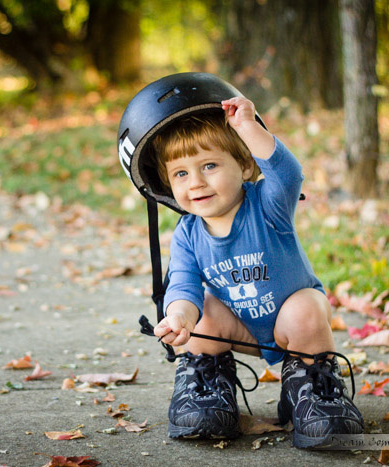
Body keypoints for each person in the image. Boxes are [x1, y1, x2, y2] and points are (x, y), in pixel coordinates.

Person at [149, 96, 364, 448]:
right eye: (181, 173)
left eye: (210, 166)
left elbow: (288, 173)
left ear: (245, 166)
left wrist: (247, 127)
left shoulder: (267, 203)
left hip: (292, 324)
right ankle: (207, 392)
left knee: (305, 307)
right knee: (200, 310)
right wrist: (178, 318)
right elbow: (183, 285)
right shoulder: (187, 233)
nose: (196, 183)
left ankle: (313, 391)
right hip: (239, 327)